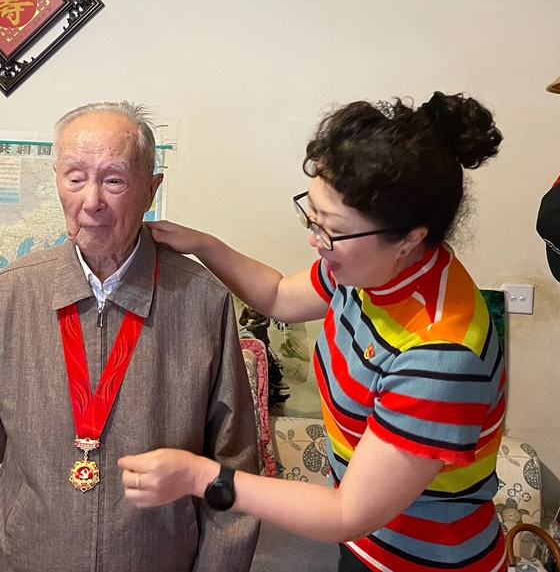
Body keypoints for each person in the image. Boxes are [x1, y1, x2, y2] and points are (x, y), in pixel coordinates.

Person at [118, 92, 508, 572]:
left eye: (331, 229)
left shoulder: (441, 355)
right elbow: (279, 295)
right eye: (313, 214)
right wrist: (204, 245)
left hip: (425, 560)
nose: (314, 238)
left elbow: (348, 514)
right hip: (367, 543)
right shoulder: (371, 271)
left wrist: (201, 477)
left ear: (410, 238)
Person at [0, 101, 261, 572]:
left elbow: (235, 470)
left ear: (151, 190)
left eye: (114, 180)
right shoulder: (6, 298)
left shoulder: (202, 301)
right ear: (57, 181)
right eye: (75, 177)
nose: (91, 201)